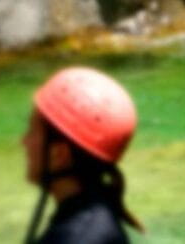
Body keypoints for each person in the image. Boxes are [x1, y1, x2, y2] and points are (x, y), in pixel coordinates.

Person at [22, 67, 143, 244]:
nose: (24, 142)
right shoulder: (96, 215)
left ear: (59, 154)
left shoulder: (77, 237)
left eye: (32, 131)